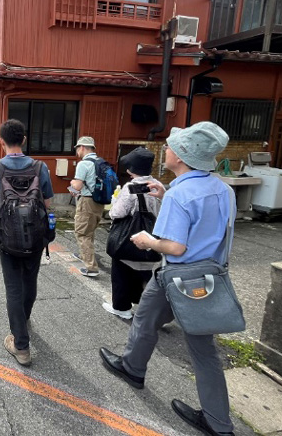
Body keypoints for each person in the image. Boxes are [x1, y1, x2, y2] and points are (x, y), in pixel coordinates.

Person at [100, 121, 236, 436]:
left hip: (177, 274)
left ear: (184, 155)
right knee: (155, 324)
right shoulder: (222, 189)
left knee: (150, 323)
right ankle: (135, 368)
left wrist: (148, 241)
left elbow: (175, 245)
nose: (167, 148)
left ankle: (216, 422)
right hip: (209, 277)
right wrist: (165, 193)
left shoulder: (181, 194)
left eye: (173, 145)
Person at [0, 119, 54, 367]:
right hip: (35, 238)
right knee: (30, 280)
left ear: (0, 142)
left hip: (9, 240)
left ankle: (21, 346)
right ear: (23, 140)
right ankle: (23, 319)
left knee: (13, 287)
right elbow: (46, 204)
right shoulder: (39, 167)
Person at [103, 147, 161, 319]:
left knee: (121, 273)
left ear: (131, 168)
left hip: (130, 238)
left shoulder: (131, 188)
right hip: (151, 236)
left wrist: (115, 200)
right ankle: (150, 310)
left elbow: (116, 213)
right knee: (146, 275)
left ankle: (122, 308)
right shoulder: (157, 185)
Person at [70, 136, 105, 277]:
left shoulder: (84, 164)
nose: (77, 151)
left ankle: (91, 268)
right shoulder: (100, 162)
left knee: (82, 232)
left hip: (87, 201)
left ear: (82, 147)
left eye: (78, 148)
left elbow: (77, 185)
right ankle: (85, 255)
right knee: (89, 230)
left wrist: (73, 183)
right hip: (99, 201)